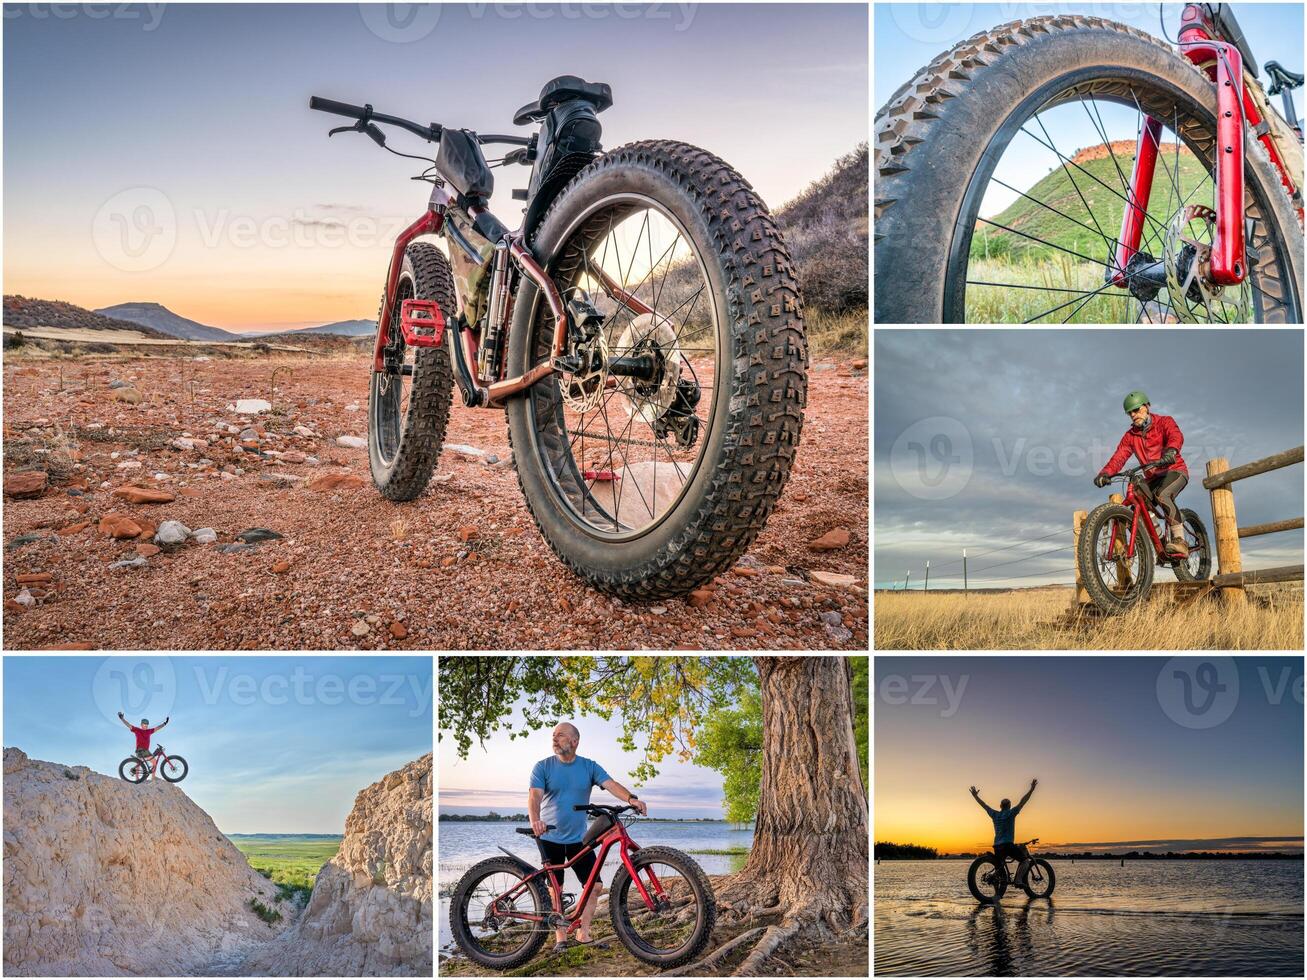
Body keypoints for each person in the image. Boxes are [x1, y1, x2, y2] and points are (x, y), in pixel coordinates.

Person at [528, 722, 647, 952]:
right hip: (549, 837)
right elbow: (534, 797)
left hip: (578, 840)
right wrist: (535, 820)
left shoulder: (588, 766)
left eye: (560, 735)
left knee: (595, 886)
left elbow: (610, 784)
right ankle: (560, 939)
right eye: (553, 735)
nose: (554, 739)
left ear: (574, 741)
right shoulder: (543, 767)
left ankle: (583, 933)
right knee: (556, 889)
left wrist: (631, 799)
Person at [1094, 390, 1189, 557]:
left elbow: (1175, 435)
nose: (1133, 414)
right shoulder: (1130, 436)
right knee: (1136, 504)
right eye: (1130, 412)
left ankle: (1180, 541)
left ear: (1147, 406)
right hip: (1152, 477)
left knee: (1162, 495)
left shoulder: (1164, 422)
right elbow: (1119, 456)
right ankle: (1160, 543)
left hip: (1174, 470)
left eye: (1136, 409)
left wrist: (1171, 451)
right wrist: (1106, 473)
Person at [970, 780, 1037, 880]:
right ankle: (1018, 880)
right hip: (1008, 845)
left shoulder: (994, 814)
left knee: (1000, 866)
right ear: (1009, 806)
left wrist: (975, 796)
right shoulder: (1012, 813)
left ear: (1000, 806)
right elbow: (1023, 802)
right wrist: (1031, 789)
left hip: (997, 846)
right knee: (1025, 861)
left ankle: (994, 877)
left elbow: (984, 805)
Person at [117, 712, 169, 778]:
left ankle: (138, 779)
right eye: (144, 725)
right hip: (141, 750)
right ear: (141, 725)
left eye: (147, 725)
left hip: (144, 751)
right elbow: (129, 725)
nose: (146, 726)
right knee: (154, 761)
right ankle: (152, 778)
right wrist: (122, 719)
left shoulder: (149, 731)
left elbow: (157, 728)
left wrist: (164, 723)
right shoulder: (137, 730)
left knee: (140, 763)